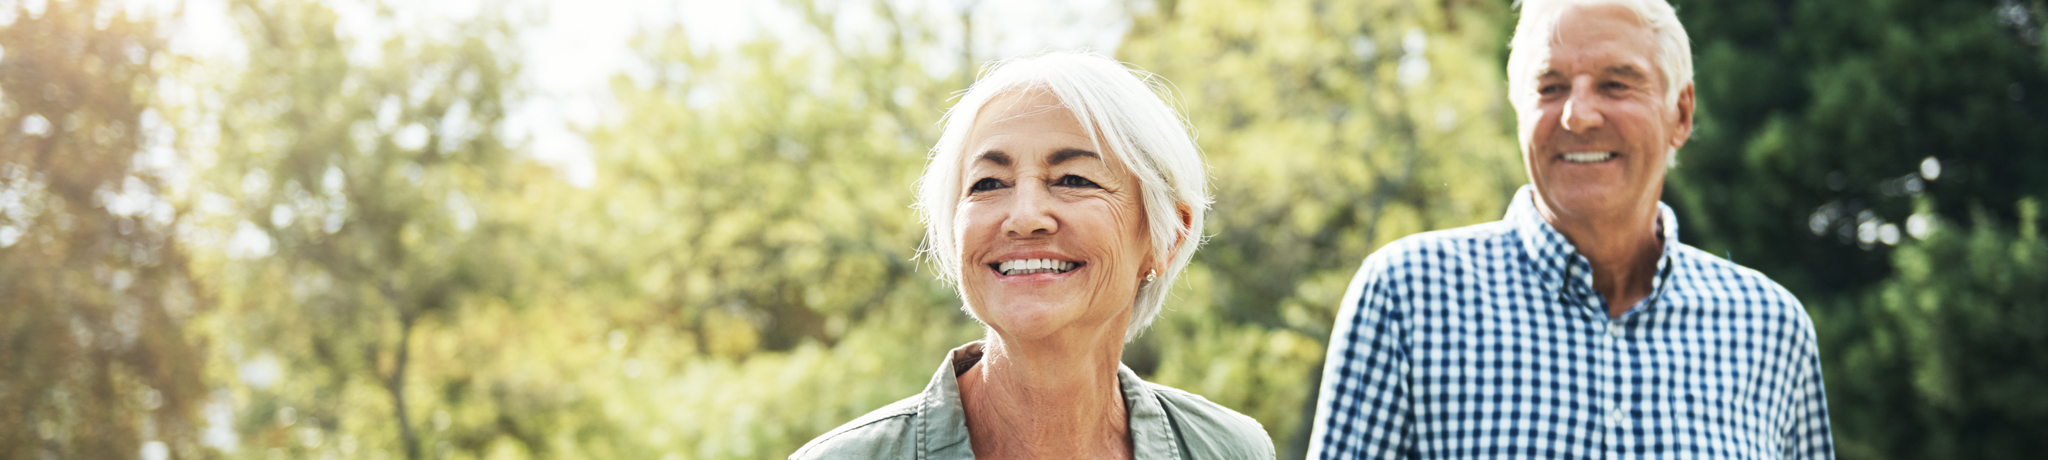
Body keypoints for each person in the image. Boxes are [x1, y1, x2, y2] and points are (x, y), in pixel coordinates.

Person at [1307, 0, 1835, 458]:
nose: (1577, 116)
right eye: (1551, 87)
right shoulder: (1407, 295)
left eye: (1615, 84)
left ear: (1681, 113)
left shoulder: (1771, 327)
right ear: (1518, 109)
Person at [791, 51, 1275, 460]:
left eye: (1073, 179)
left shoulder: (1230, 447)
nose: (1024, 217)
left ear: (1166, 237)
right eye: (988, 184)